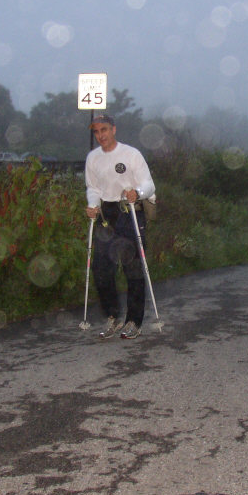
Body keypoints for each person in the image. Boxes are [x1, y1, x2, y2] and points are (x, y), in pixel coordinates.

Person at [84, 114, 156, 340]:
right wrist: (92, 205)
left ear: (113, 129)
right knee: (101, 269)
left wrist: (138, 193)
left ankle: (134, 321)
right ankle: (112, 316)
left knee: (132, 269)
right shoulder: (93, 158)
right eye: (96, 132)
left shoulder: (131, 154)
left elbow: (148, 184)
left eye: (104, 130)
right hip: (107, 213)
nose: (100, 136)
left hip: (130, 212)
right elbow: (93, 187)